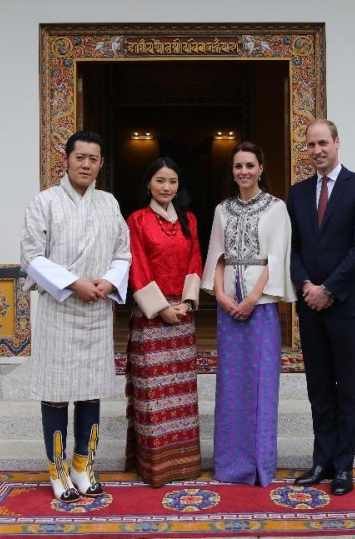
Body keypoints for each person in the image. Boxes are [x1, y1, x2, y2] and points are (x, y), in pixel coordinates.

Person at [20, 131, 131, 503]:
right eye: (79, 157)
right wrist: (74, 283)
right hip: (59, 308)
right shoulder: (44, 203)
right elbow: (32, 258)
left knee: (90, 389)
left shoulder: (109, 203)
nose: (86, 164)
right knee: (56, 391)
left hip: (97, 309)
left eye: (93, 159)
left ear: (101, 163)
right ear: (66, 160)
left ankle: (84, 464)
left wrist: (107, 282)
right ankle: (57, 468)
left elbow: (123, 254)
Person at [287, 119, 355, 496]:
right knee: (319, 387)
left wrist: (329, 288)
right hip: (310, 305)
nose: (317, 151)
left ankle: (344, 465)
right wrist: (307, 285)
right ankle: (321, 460)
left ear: (337, 143)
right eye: (310, 145)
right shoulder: (297, 193)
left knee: (346, 390)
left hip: (346, 304)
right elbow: (290, 248)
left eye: (323, 143)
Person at [202, 141, 296, 487]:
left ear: (261, 169)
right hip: (229, 308)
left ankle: (259, 465)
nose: (244, 172)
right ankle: (229, 466)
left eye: (250, 166)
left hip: (261, 306)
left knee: (260, 384)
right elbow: (216, 257)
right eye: (238, 166)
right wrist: (223, 298)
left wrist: (252, 299)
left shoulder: (277, 208)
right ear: (233, 171)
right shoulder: (222, 210)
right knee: (231, 385)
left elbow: (277, 259)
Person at [124, 157, 203, 487]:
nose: (166, 187)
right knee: (153, 398)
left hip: (182, 317)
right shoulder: (138, 220)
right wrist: (160, 308)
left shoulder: (189, 220)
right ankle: (155, 467)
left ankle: (184, 464)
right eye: (160, 181)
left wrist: (186, 301)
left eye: (172, 181)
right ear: (148, 184)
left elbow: (195, 258)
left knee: (182, 396)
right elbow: (136, 265)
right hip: (150, 319)